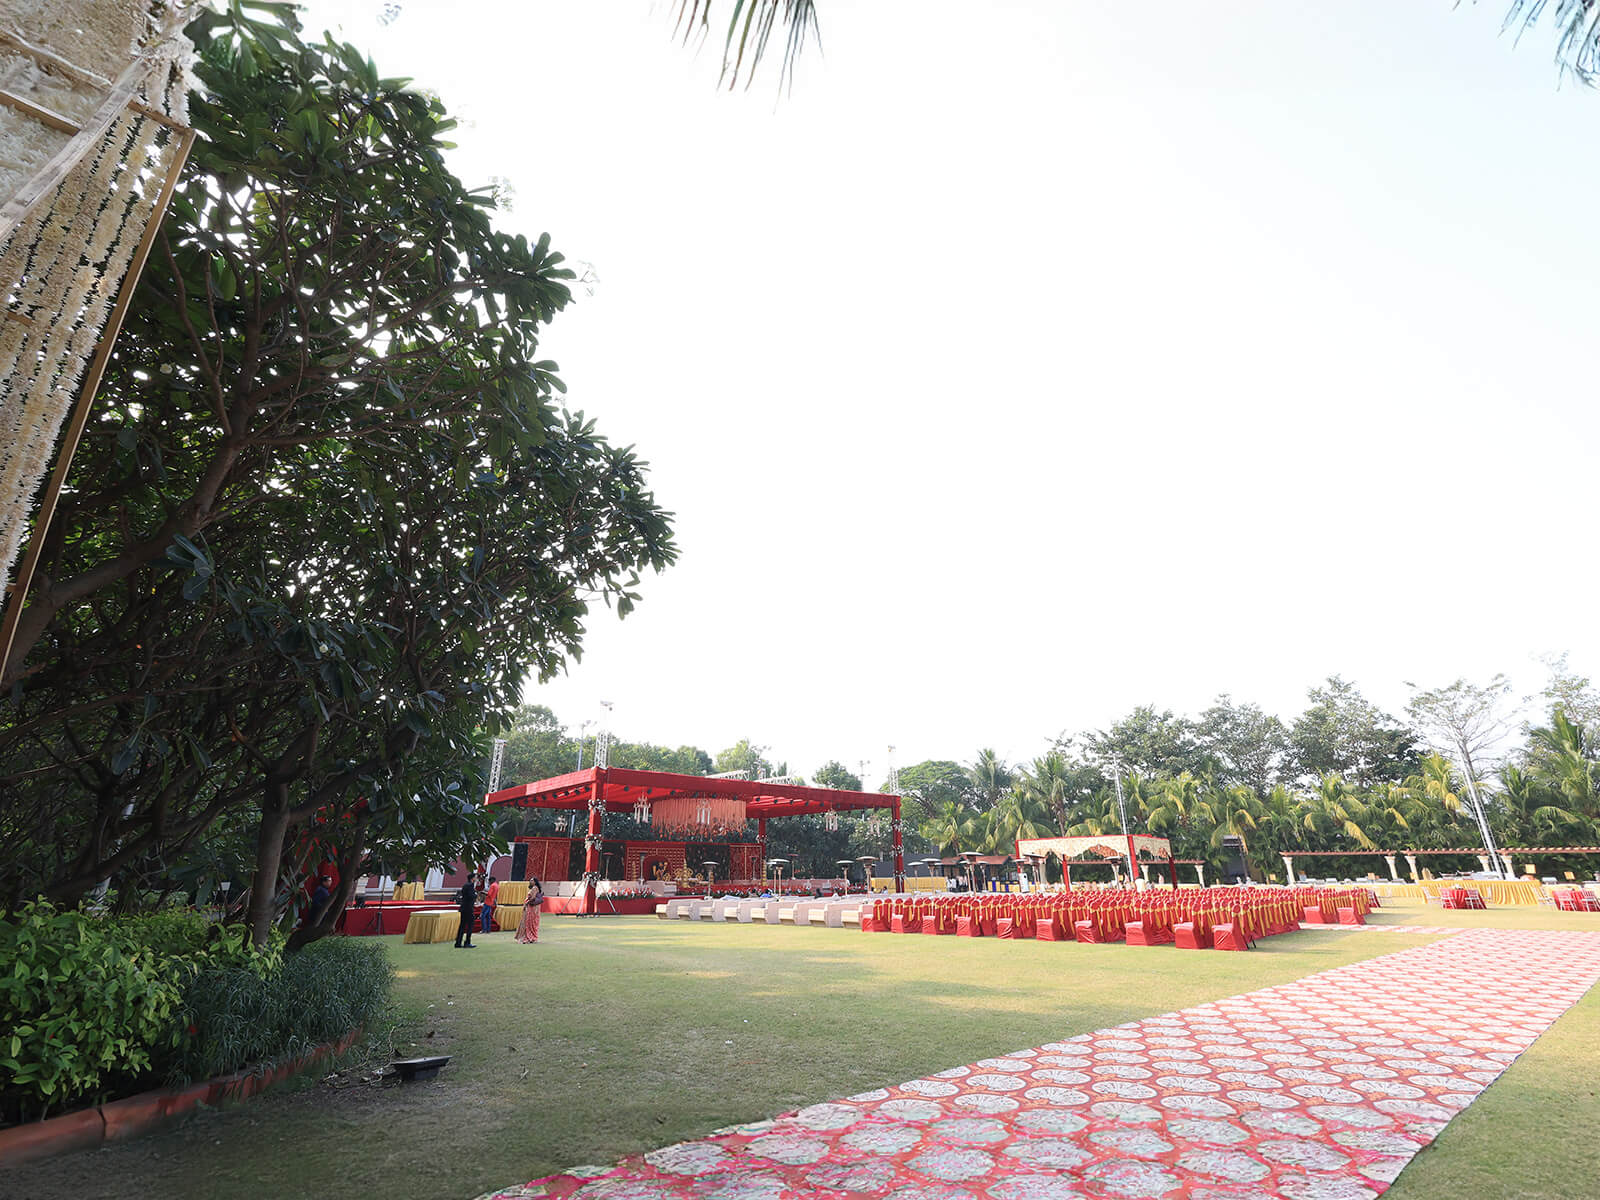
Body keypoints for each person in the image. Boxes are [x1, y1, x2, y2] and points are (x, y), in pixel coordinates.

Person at [515, 877, 546, 944]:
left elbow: (532, 898)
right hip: (535, 908)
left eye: (532, 880)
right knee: (532, 922)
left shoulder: (534, 888)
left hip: (531, 908)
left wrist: (527, 902)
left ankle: (528, 937)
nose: (530, 881)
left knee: (528, 921)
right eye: (530, 880)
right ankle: (533, 937)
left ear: (535, 882)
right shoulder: (536, 888)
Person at [454, 872, 478, 948]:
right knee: (470, 925)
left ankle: (458, 942)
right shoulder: (470, 885)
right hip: (468, 908)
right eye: (475, 877)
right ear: (472, 878)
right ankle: (467, 942)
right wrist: (476, 895)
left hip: (463, 908)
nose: (476, 879)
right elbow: (471, 896)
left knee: (462, 926)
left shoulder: (465, 885)